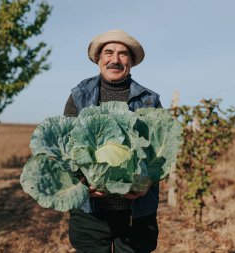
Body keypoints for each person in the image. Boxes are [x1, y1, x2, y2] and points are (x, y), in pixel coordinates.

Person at [64, 29, 163, 253]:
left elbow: (161, 153)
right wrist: (83, 183)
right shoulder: (79, 96)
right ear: (99, 59)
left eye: (123, 54)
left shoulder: (149, 100)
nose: (115, 60)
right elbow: (66, 149)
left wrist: (146, 183)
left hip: (136, 210)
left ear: (131, 61)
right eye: (108, 52)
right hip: (91, 210)